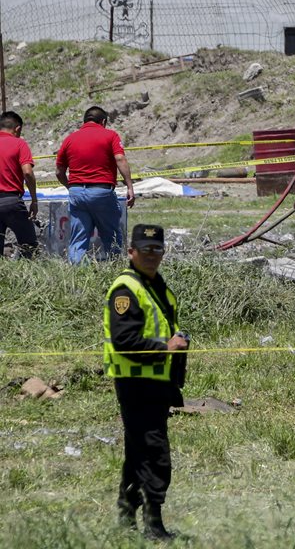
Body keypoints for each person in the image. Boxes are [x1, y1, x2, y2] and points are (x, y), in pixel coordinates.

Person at [104, 224, 188, 540]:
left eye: (157, 250)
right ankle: (154, 525)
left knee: (139, 453)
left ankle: (127, 519)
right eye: (145, 250)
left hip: (157, 383)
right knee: (155, 455)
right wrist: (165, 347)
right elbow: (124, 339)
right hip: (135, 383)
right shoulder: (126, 289)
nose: (152, 256)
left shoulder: (156, 286)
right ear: (131, 252)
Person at [55, 106, 135, 263]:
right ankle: (114, 268)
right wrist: (130, 186)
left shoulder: (69, 139)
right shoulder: (110, 135)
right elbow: (120, 159)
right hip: (101, 191)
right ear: (103, 121)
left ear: (84, 121)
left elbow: (59, 171)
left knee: (78, 238)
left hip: (77, 192)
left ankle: (76, 276)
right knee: (111, 236)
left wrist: (71, 187)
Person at [0, 111, 38, 257]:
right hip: (12, 202)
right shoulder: (19, 143)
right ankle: (27, 278)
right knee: (29, 247)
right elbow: (27, 172)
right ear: (17, 128)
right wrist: (34, 200)